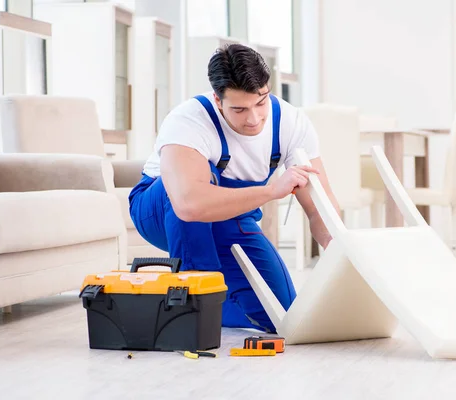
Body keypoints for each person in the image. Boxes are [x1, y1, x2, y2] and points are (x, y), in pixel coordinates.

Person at [129, 43, 340, 333]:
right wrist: (271, 192)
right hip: (160, 209)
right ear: (218, 100)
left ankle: (203, 304)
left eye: (260, 102)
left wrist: (338, 248)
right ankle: (193, 302)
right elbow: (189, 204)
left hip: (231, 214)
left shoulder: (291, 123)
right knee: (199, 177)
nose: (253, 119)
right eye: (239, 109)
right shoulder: (188, 120)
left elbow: (321, 209)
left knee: (282, 315)